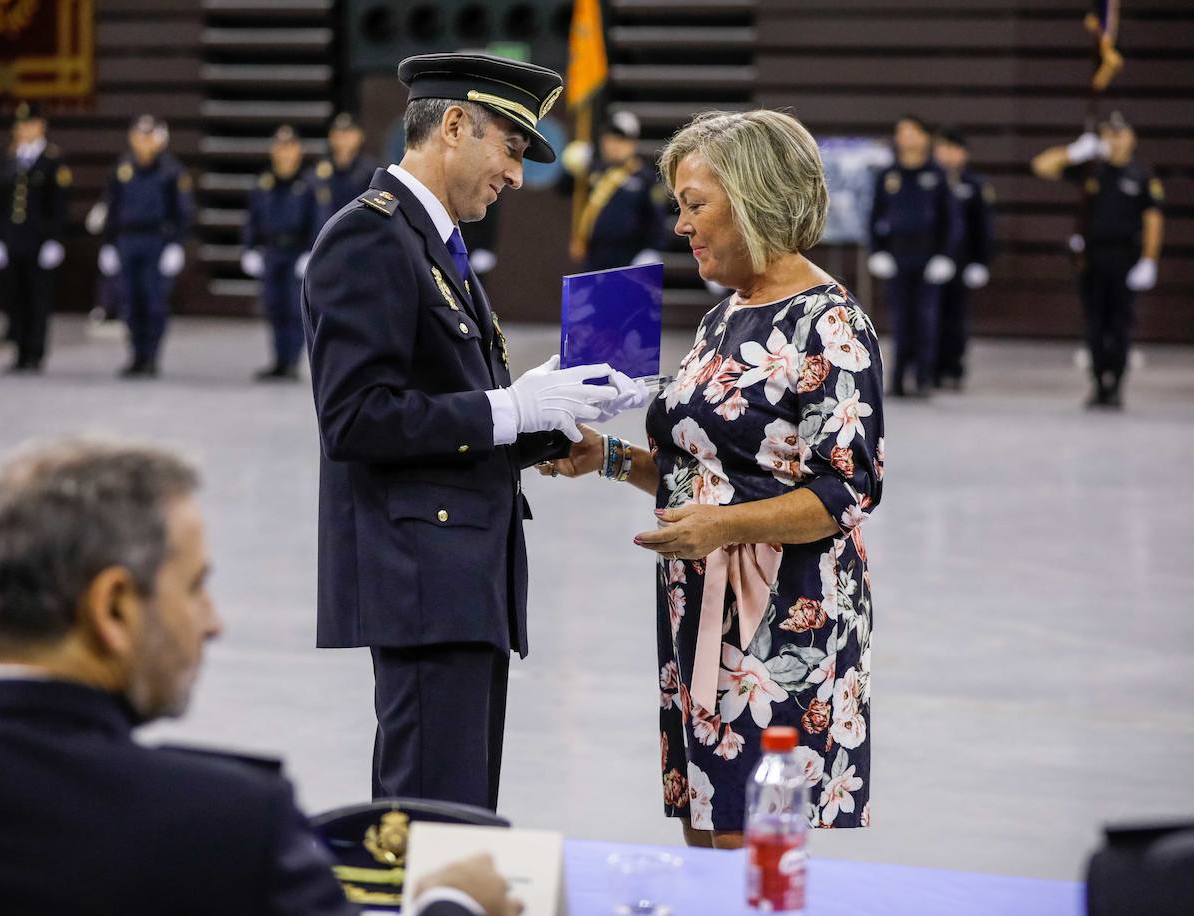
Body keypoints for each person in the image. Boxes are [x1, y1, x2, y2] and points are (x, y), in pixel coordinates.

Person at [0, 438, 523, 916]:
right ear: (115, 608)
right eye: (195, 587)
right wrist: (452, 906)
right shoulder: (228, 829)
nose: (211, 622)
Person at [302, 51, 641, 811]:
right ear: (455, 125)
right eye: (511, 148)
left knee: (461, 815)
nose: (517, 175)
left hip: (462, 576)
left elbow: (457, 410)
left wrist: (553, 412)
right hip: (421, 577)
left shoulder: (439, 248)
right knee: (430, 818)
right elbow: (355, 418)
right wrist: (511, 408)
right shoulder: (370, 239)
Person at [543, 109, 884, 847]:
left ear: (756, 197)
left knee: (755, 845)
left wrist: (722, 529)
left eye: (695, 205)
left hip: (785, 620)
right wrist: (607, 457)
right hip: (700, 604)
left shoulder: (829, 325)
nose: (680, 226)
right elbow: (710, 473)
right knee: (706, 828)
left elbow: (847, 489)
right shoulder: (725, 315)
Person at [1031, 111, 1163, 409]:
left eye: (1119, 133)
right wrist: (1073, 152)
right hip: (1092, 258)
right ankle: (1096, 382)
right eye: (1108, 134)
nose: (1113, 140)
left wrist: (1149, 259)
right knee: (1093, 325)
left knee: (1120, 325)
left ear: (1132, 138)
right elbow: (1041, 166)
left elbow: (1153, 219)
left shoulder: (1141, 176)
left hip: (1125, 259)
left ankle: (1116, 383)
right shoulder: (1091, 170)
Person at [866, 114, 958, 398]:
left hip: (928, 258)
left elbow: (950, 220)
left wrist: (945, 255)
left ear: (924, 137)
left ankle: (923, 378)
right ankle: (896, 379)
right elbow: (875, 216)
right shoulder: (888, 175)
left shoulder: (937, 174)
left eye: (911, 131)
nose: (904, 138)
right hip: (897, 257)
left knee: (925, 319)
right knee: (900, 320)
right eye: (900, 132)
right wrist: (878, 251)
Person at [97, 114, 194, 378]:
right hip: (127, 240)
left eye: (149, 137)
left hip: (156, 241)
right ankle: (136, 355)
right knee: (130, 301)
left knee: (154, 302)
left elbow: (184, 212)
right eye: (139, 136)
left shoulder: (171, 171)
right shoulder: (122, 168)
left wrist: (176, 245)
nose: (144, 143)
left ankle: (151, 356)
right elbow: (111, 207)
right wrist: (108, 244)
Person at [0, 102, 70, 373]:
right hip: (12, 240)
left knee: (37, 299)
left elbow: (59, 204)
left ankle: (35, 353)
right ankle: (19, 352)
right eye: (20, 125)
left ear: (41, 126)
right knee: (15, 298)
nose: (24, 130)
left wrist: (55, 240)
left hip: (39, 241)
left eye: (29, 124)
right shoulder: (10, 158)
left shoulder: (52, 160)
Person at [242, 125, 320, 380]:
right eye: (280, 147)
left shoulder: (308, 184)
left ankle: (291, 362)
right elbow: (252, 219)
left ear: (298, 151)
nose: (284, 153)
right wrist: (249, 248)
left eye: (289, 147)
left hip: (296, 252)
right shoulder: (264, 183)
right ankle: (278, 359)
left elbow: (319, 219)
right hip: (272, 251)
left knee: (293, 308)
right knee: (273, 306)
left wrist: (311, 252)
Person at [562, 109, 666, 271]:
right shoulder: (592, 169)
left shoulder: (645, 178)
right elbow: (565, 190)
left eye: (622, 140)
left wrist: (652, 251)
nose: (615, 145)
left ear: (633, 144)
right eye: (611, 138)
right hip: (594, 258)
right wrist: (570, 167)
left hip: (628, 259)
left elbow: (656, 221)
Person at [931, 126, 994, 389]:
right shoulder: (931, 181)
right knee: (930, 316)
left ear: (962, 153)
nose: (945, 155)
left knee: (956, 318)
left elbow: (984, 227)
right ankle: (929, 367)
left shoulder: (974, 185)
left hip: (962, 262)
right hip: (934, 261)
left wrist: (981, 261)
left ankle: (954, 367)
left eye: (951, 149)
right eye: (941, 148)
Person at [315, 112, 378, 228]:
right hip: (328, 232)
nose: (343, 139)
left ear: (359, 136)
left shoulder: (370, 172)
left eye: (348, 133)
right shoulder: (320, 172)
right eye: (339, 133)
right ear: (331, 137)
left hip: (359, 232)